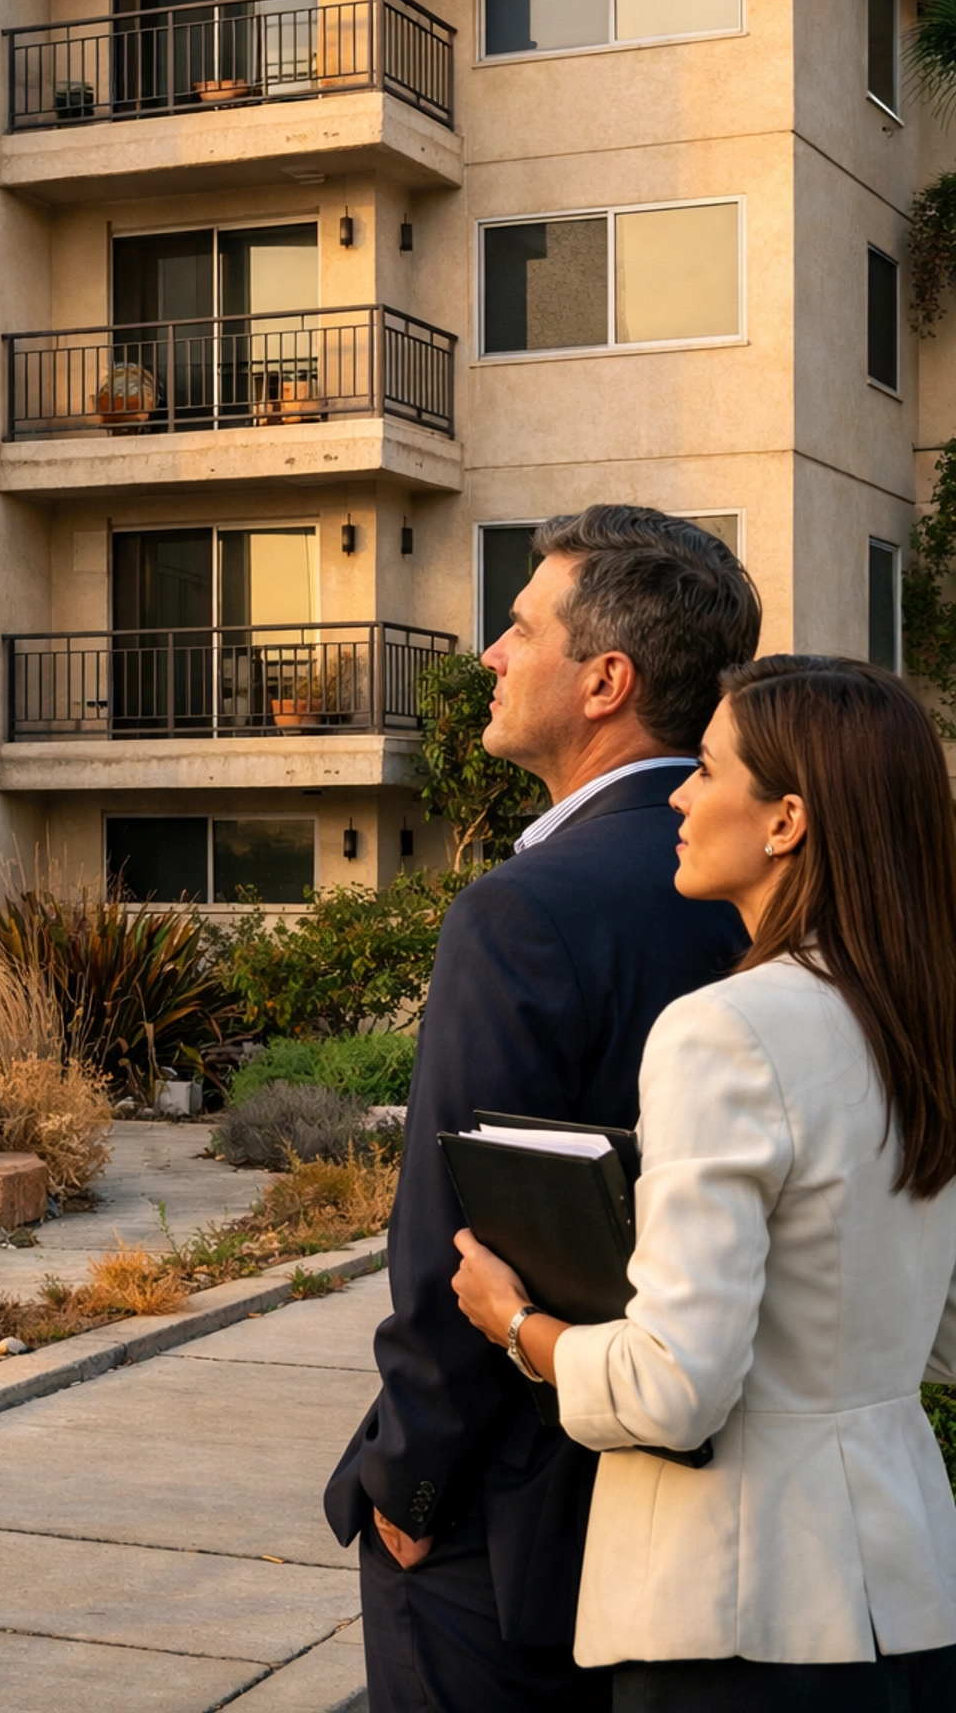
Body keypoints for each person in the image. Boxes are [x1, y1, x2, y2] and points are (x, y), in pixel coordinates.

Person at [452, 656, 956, 1709]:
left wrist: (514, 1324)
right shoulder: (918, 1022)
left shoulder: (723, 1029)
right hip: (908, 1596)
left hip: (736, 1612)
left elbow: (675, 1390)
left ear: (786, 822)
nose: (677, 793)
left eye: (709, 770)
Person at [326, 506, 761, 1713]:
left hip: (506, 1524)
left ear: (605, 681)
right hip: (714, 1509)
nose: (491, 656)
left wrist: (406, 1483)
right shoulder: (777, 887)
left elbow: (453, 1238)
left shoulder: (525, 909)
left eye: (520, 629)